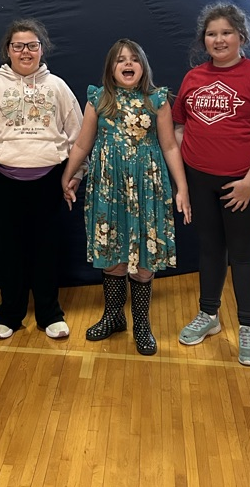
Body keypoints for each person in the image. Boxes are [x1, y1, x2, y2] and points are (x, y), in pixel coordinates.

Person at [61, 40, 191, 355]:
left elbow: (170, 146)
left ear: (143, 66)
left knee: (144, 260)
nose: (128, 64)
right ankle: (113, 315)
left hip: (147, 188)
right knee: (113, 256)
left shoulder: (156, 100)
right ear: (111, 68)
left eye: (134, 59)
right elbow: (82, 144)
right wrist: (68, 174)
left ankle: (141, 324)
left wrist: (182, 188)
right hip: (108, 187)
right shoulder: (99, 99)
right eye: (121, 60)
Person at [173, 3, 250, 366]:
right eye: (212, 34)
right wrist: (187, 170)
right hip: (200, 179)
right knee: (209, 248)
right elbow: (179, 125)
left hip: (243, 184)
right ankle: (209, 315)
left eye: (226, 33)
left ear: (241, 37)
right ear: (204, 40)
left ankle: (248, 326)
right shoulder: (193, 78)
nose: (218, 40)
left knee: (243, 253)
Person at [0, 18, 84, 341]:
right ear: (8, 50)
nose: (25, 52)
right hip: (3, 181)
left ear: (42, 50)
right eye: (18, 46)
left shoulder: (57, 87)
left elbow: (78, 136)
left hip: (49, 181)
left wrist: (73, 176)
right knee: (10, 250)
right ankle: (10, 314)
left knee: (46, 249)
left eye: (32, 45)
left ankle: (49, 314)